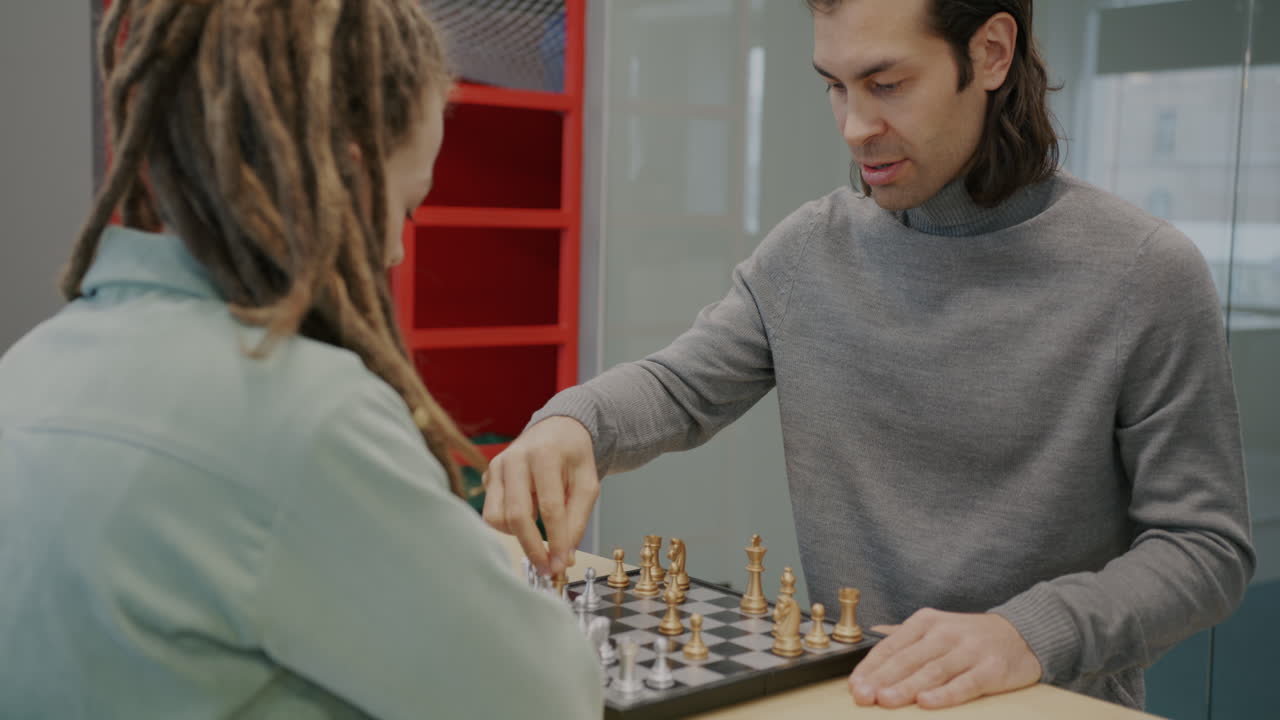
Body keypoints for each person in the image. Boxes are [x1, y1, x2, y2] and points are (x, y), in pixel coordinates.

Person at [481, 0, 1254, 711]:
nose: (853, 126)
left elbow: (1205, 549)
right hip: (854, 698)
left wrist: (1029, 632)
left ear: (989, 53)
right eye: (836, 87)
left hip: (1047, 703)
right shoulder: (809, 252)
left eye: (886, 84)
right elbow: (678, 388)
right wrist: (572, 426)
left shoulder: (1145, 272)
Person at [0, 1, 601, 718]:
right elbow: (547, 701)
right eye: (404, 209)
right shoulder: (305, 414)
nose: (397, 251)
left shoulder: (29, 365)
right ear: (348, 180)